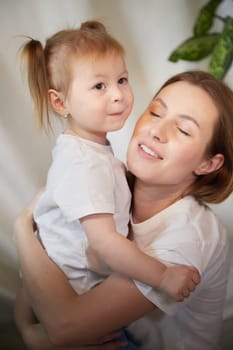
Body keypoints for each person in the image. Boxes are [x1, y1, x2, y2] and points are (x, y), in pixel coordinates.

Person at [14, 70, 233, 350]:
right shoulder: (108, 183)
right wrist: (29, 330)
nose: (156, 131)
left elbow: (65, 328)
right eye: (155, 112)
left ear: (207, 164)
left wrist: (22, 228)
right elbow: (45, 271)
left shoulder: (186, 240)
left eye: (183, 130)